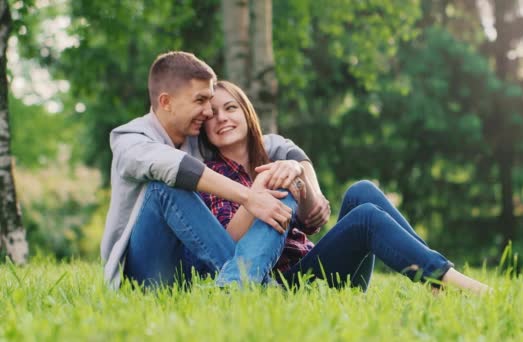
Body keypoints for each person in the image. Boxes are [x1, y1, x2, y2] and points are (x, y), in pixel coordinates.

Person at [200, 80, 490, 294]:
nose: (222, 118)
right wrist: (255, 195)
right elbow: (225, 244)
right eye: (212, 114)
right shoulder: (213, 175)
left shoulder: (272, 158)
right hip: (287, 284)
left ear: (246, 113)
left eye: (230, 108)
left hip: (317, 265)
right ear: (204, 127)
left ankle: (436, 282)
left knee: (362, 191)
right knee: (366, 218)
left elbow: (312, 221)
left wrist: (298, 172)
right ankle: (451, 282)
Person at [100, 51, 327, 289]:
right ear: (166, 102)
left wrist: (302, 175)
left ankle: (238, 282)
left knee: (279, 177)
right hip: (148, 269)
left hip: (193, 266)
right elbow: (173, 166)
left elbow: (277, 146)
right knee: (162, 189)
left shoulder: (195, 139)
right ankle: (254, 285)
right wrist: (250, 197)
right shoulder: (129, 140)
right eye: (200, 101)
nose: (209, 112)